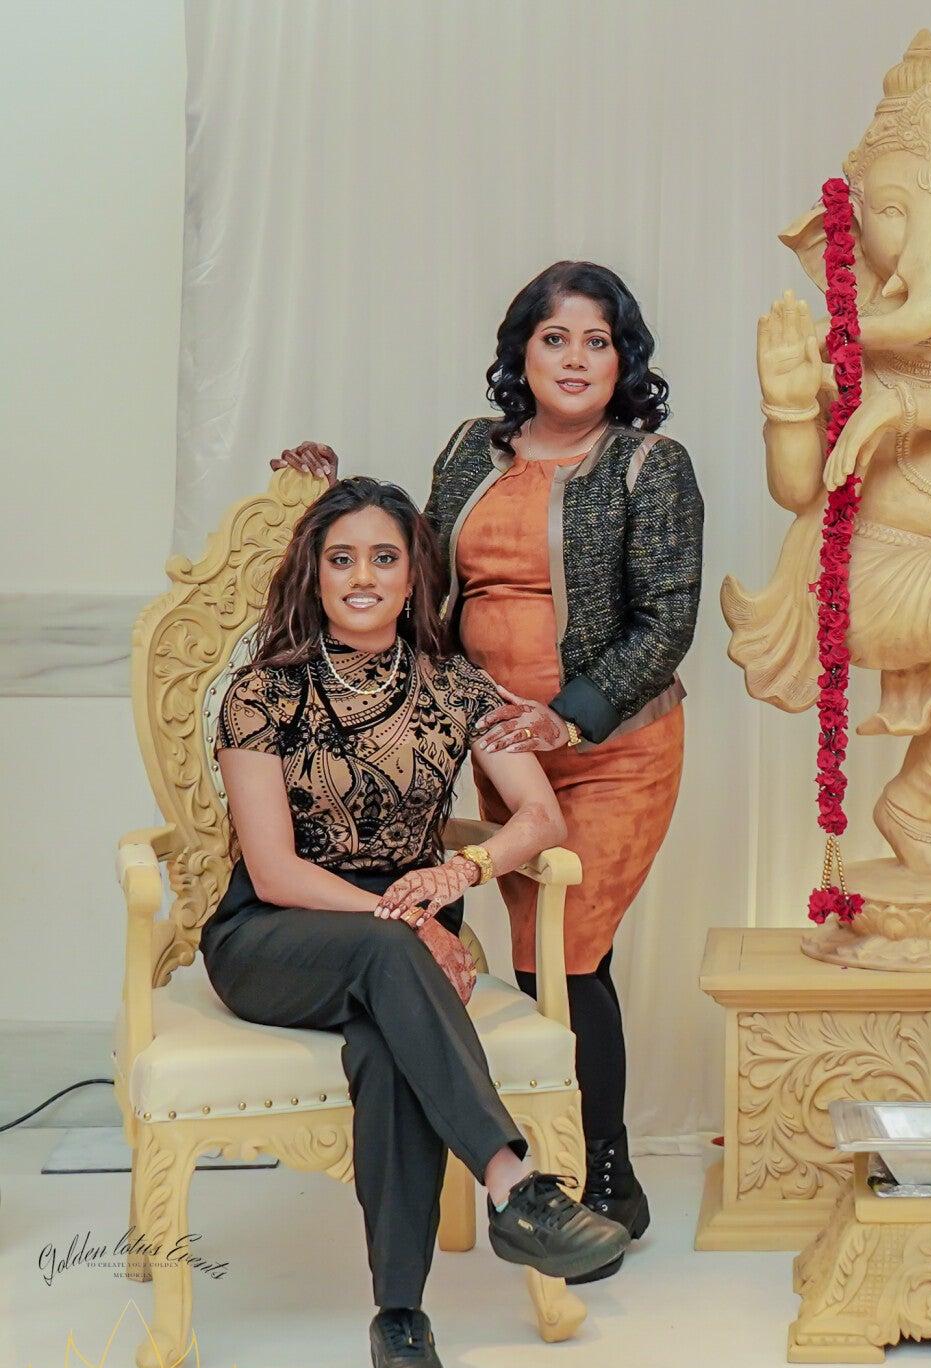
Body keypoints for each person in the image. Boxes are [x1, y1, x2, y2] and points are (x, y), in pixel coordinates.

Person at [273, 260, 704, 1282]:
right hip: (487, 741)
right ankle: (514, 1167)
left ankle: (602, 1173)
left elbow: (665, 620)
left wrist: (565, 717)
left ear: (623, 359)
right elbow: (414, 570)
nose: (575, 359)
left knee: (568, 952)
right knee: (499, 948)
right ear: (522, 351)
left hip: (611, 749)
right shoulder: (473, 448)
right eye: (555, 338)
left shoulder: (650, 466)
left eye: (597, 341)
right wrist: (330, 497)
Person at [203, 475, 632, 1368]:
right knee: (390, 954)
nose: (362, 576)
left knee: (387, 1049)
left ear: (412, 576)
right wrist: (414, 921)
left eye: (383, 558)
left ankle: (400, 1323)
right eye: (342, 558)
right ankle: (515, 1183)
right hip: (272, 938)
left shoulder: (456, 685)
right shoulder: (263, 692)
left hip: (404, 941)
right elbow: (272, 870)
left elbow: (540, 816)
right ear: (315, 574)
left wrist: (461, 874)